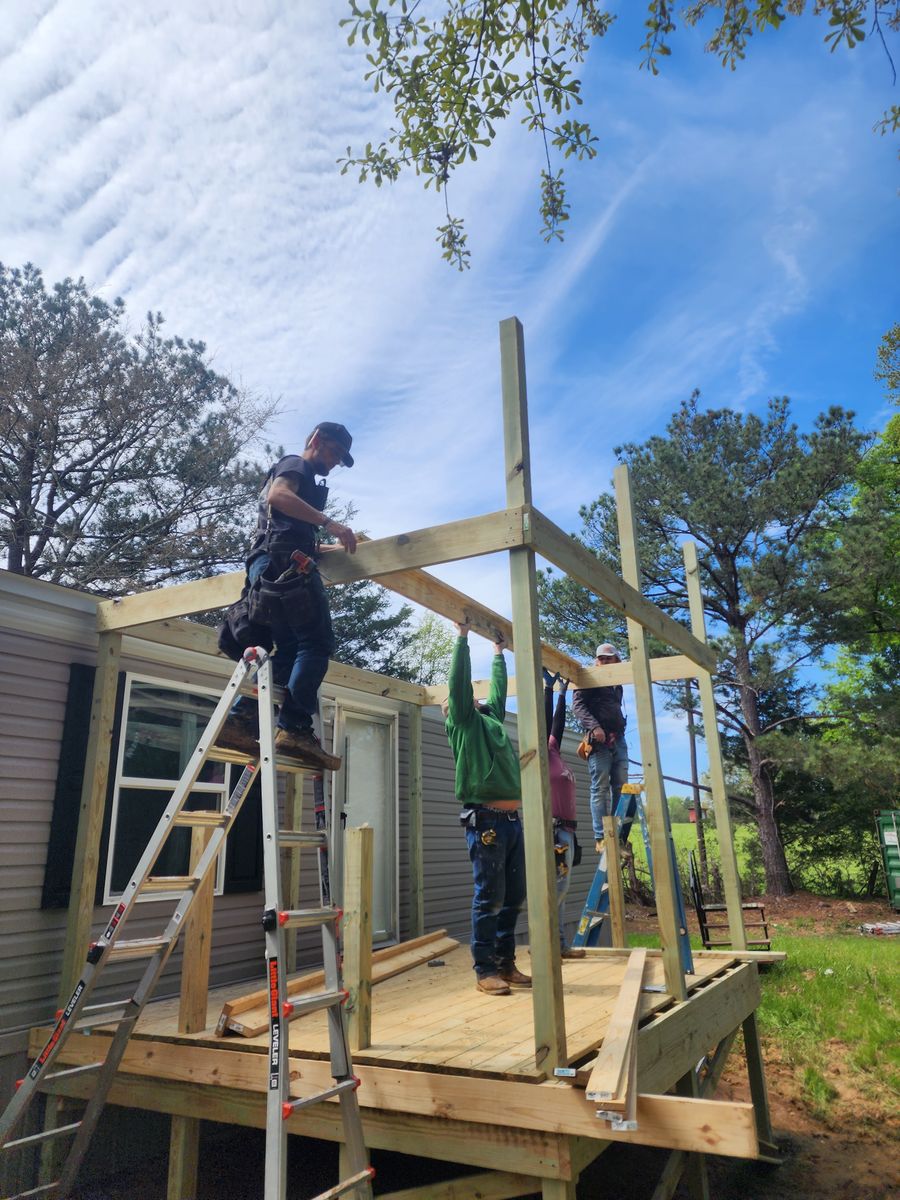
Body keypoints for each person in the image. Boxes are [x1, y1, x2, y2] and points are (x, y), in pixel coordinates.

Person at [217, 422, 359, 771]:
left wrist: (331, 545)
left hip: (271, 565)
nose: (335, 462)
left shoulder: (302, 495)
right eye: (334, 453)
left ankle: (242, 719)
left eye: (340, 458)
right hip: (285, 564)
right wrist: (332, 523)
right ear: (316, 440)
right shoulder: (296, 464)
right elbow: (277, 496)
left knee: (290, 650)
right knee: (317, 643)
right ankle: (293, 727)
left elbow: (289, 527)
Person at [442, 622, 530, 996]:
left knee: (513, 896)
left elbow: (498, 692)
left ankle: (506, 964)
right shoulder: (462, 722)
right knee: (489, 896)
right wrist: (461, 637)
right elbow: (459, 684)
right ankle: (484, 969)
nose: (471, 698)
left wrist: (498, 652)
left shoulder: (492, 720)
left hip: (511, 821)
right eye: (462, 699)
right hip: (487, 822)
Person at [543, 669, 586, 960]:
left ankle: (558, 944)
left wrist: (561, 692)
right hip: (554, 830)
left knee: (563, 887)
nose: (550, 735)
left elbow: (556, 725)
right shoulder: (541, 753)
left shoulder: (554, 750)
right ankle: (550, 943)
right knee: (557, 887)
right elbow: (545, 722)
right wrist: (547, 691)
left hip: (568, 831)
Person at [572, 642, 629, 853]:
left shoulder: (617, 683)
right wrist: (595, 727)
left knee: (621, 786)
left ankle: (616, 833)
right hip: (598, 741)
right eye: (601, 658)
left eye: (608, 658)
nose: (604, 661)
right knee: (600, 787)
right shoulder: (591, 678)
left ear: (617, 661)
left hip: (618, 738)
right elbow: (577, 705)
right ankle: (601, 837)